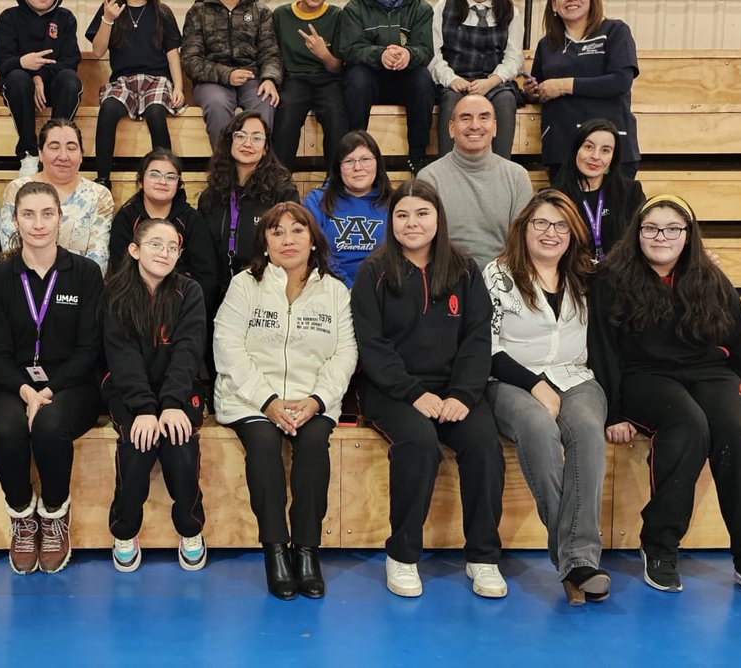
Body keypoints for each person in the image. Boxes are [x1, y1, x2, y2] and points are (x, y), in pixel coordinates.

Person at [589, 194, 741, 607]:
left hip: (710, 374)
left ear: (688, 235)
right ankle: (660, 546)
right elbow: (604, 350)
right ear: (637, 234)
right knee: (687, 425)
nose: (661, 236)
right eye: (651, 228)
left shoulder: (711, 279)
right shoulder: (611, 279)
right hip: (646, 377)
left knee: (736, 436)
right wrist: (614, 411)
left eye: (672, 229)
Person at [350, 179, 504, 599]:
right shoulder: (373, 272)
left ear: (439, 218)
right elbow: (373, 345)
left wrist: (462, 395)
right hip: (391, 389)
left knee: (484, 445)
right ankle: (402, 556)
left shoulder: (465, 270)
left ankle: (483, 558)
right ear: (390, 221)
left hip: (454, 389)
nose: (411, 223)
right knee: (418, 443)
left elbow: (477, 339)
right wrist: (413, 392)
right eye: (402, 215)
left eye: (422, 214)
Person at [213, 203, 357, 600]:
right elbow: (227, 348)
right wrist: (268, 401)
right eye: (277, 232)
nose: (287, 239)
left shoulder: (334, 291)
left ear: (313, 241)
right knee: (263, 446)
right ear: (265, 242)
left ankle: (307, 551)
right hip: (250, 399)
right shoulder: (245, 284)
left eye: (297, 231)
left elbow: (345, 354)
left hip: (311, 400)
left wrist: (316, 400)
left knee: (312, 445)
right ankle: (275, 549)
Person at [484, 189, 609, 605]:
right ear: (523, 228)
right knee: (538, 428)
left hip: (576, 378)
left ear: (573, 233)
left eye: (560, 225)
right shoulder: (498, 275)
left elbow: (640, 272)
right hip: (509, 382)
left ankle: (577, 560)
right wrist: (535, 384)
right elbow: (486, 346)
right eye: (541, 223)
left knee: (589, 431)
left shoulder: (589, 277)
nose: (550, 232)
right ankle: (577, 560)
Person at [0, 181, 105, 575]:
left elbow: (89, 350)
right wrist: (25, 391)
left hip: (70, 384)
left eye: (47, 214)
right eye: (28, 215)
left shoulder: (85, 274)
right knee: (6, 427)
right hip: (11, 383)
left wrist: (46, 392)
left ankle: (54, 514)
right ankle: (21, 514)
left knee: (50, 425)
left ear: (60, 218)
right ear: (15, 220)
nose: (38, 224)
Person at [103, 218, 208, 573]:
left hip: (178, 390)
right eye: (155, 245)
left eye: (172, 247)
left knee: (179, 444)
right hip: (129, 390)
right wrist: (146, 409)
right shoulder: (115, 294)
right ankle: (125, 529)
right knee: (138, 445)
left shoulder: (188, 292)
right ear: (134, 250)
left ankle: (190, 528)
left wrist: (171, 404)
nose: (165, 253)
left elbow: (188, 351)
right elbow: (122, 357)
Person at [524, 0, 640, 180]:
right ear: (553, 5)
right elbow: (540, 87)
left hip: (609, 148)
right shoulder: (547, 45)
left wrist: (563, 85)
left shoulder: (615, 31)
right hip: (562, 147)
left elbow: (620, 82)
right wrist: (533, 92)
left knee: (611, 212)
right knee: (564, 212)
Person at [85, 0, 186, 189]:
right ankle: (103, 179)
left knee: (155, 113)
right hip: (124, 81)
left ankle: (168, 177)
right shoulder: (111, 8)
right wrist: (107, 18)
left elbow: (173, 55)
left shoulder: (162, 12)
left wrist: (179, 87)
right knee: (108, 110)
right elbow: (98, 51)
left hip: (157, 79)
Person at [337, 0, 436, 175]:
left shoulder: (421, 9)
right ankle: (355, 150)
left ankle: (418, 155)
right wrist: (379, 54)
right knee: (356, 78)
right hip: (370, 78)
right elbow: (349, 49)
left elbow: (425, 49)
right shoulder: (354, 8)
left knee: (423, 80)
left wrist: (409, 55)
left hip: (405, 78)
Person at [180, 0, 282, 148]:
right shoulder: (198, 12)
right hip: (212, 82)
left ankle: (258, 171)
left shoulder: (260, 11)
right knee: (217, 104)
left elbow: (270, 52)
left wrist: (270, 79)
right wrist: (227, 75)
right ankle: (224, 172)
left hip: (252, 79)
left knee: (265, 101)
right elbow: (191, 60)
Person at [429, 0, 524, 159]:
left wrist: (492, 81)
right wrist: (451, 79)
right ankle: (448, 173)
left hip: (493, 84)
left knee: (506, 100)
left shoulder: (509, 10)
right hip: (455, 83)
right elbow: (433, 54)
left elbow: (514, 57)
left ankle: (500, 170)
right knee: (451, 103)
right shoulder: (443, 8)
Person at [417, 95, 532, 267]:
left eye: (483, 117)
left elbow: (522, 245)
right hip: (447, 279)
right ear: (451, 128)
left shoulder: (517, 177)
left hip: (501, 280)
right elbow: (425, 246)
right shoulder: (429, 178)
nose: (475, 126)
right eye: (466, 118)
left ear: (494, 127)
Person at [196, 111, 299, 302]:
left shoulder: (282, 193)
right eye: (240, 136)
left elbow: (291, 247)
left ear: (266, 147)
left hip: (265, 290)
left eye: (257, 138)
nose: (248, 143)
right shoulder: (210, 196)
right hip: (218, 292)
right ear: (229, 142)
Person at [0, 0, 82, 176]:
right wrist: (24, 64)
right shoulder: (8, 18)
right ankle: (29, 154)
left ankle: (52, 150)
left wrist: (40, 75)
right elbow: (3, 62)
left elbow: (71, 59)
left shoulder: (65, 18)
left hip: (53, 89)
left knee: (70, 80)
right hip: (21, 91)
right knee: (16, 78)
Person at [108, 148, 220, 315]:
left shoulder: (192, 220)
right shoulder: (126, 218)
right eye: (154, 174)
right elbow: (121, 274)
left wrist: (183, 310)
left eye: (170, 177)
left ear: (179, 184)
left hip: (182, 309)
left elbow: (206, 277)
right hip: (135, 308)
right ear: (140, 181)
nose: (162, 181)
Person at [0, 118, 114, 274]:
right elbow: (10, 250)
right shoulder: (17, 190)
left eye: (71, 148)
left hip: (79, 288)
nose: (63, 156)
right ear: (40, 153)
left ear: (81, 155)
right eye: (54, 147)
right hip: (25, 285)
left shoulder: (99, 195)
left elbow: (98, 259)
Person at [271, 0, 349, 170]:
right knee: (286, 113)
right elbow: (271, 56)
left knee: (336, 114)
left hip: (328, 80)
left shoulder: (337, 16)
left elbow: (338, 67)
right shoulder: (281, 15)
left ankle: (335, 183)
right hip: (294, 80)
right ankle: (279, 180)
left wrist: (323, 54)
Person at [302, 130, 391, 287]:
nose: (358, 167)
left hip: (383, 288)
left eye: (365, 159)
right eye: (349, 161)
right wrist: (346, 286)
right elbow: (314, 252)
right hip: (328, 288)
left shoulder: (395, 203)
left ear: (378, 162)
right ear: (338, 167)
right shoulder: (317, 201)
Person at [551, 118, 646, 262]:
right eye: (588, 147)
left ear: (613, 158)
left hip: (619, 277)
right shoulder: (555, 196)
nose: (596, 156)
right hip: (572, 278)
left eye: (605, 150)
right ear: (576, 150)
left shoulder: (631, 193)